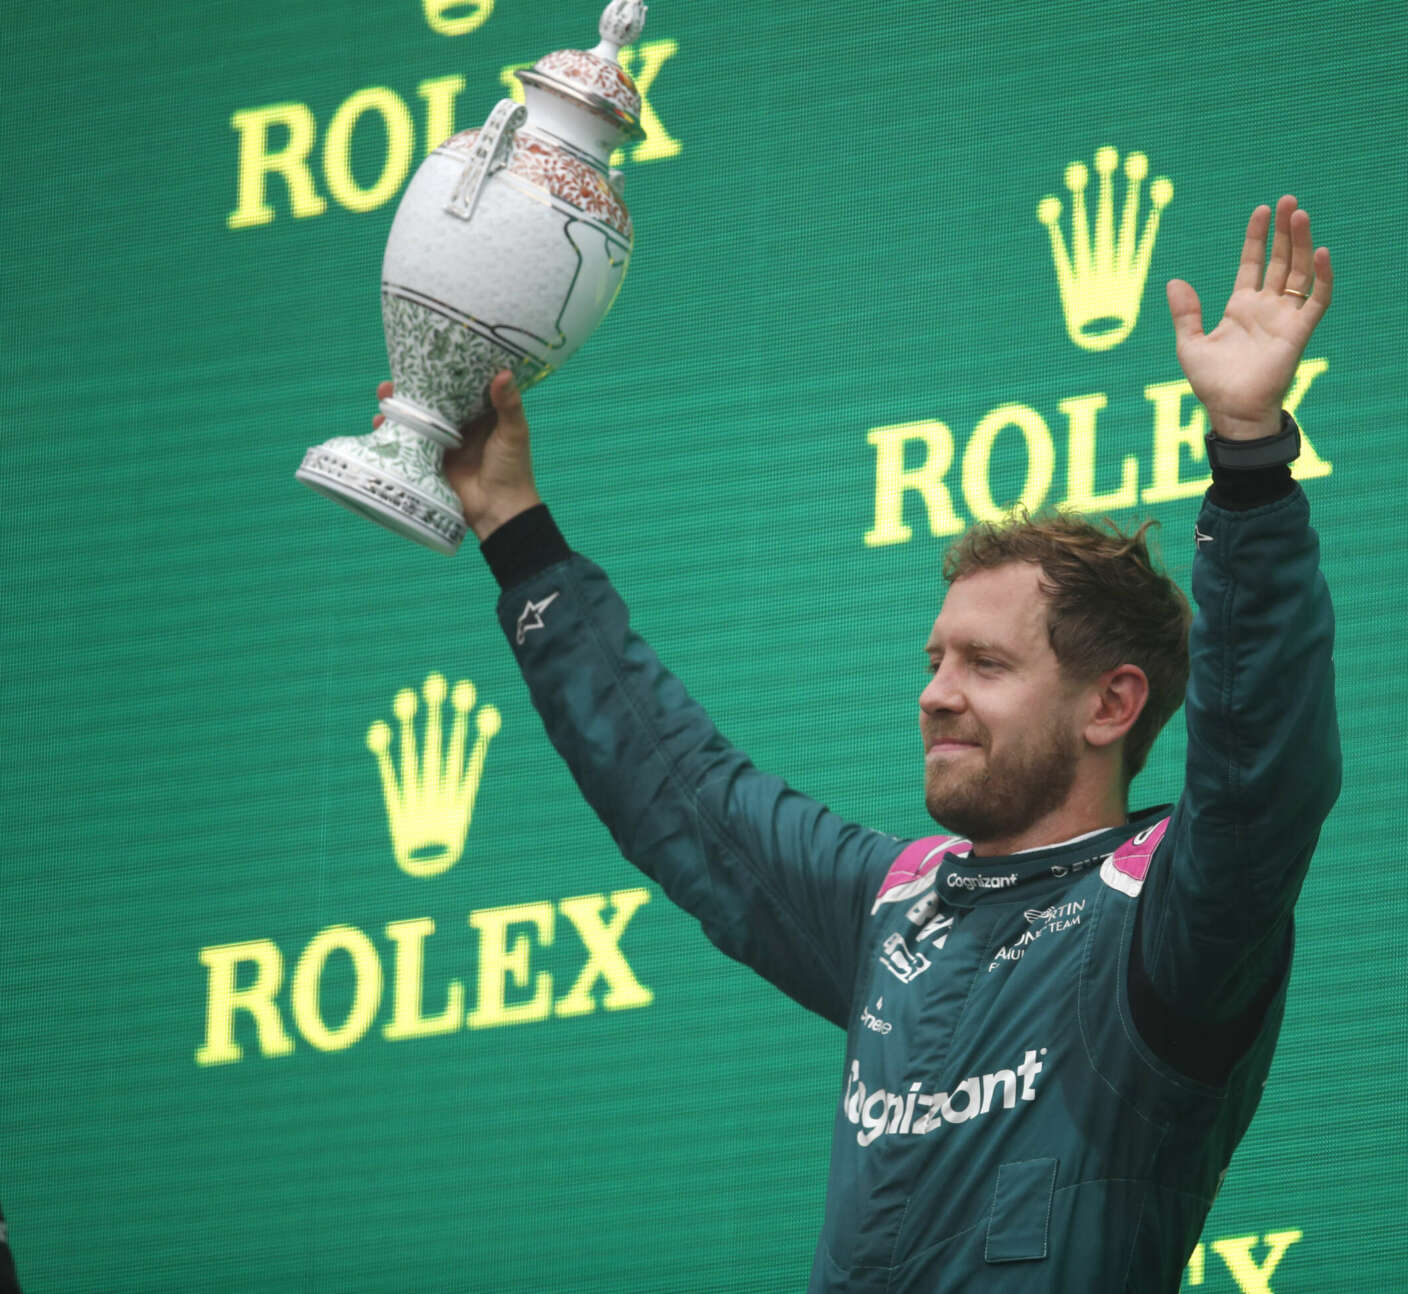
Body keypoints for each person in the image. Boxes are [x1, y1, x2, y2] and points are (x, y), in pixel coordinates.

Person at [377, 195, 1340, 1291]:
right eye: (933, 660)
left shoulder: (1168, 917)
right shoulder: (892, 900)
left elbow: (1257, 765)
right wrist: (512, 522)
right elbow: (679, 789)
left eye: (984, 665)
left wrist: (1249, 459)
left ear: (1110, 705)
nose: (933, 695)